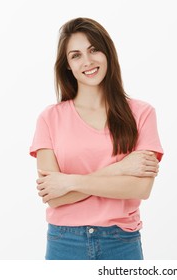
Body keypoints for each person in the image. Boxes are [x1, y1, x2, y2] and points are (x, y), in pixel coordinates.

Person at [29, 17, 163, 260]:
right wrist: (120, 168)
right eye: (76, 55)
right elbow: (54, 197)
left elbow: (141, 187)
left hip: (121, 241)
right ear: (67, 65)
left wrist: (70, 182)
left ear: (107, 52)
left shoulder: (142, 114)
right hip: (64, 242)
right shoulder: (49, 118)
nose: (87, 61)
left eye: (93, 50)